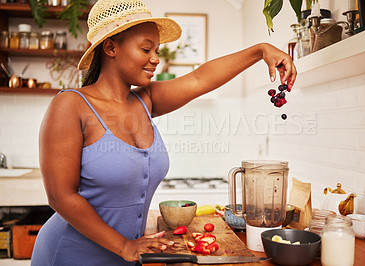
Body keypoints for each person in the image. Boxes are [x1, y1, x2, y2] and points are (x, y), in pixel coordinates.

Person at [31, 0, 297, 265]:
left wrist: (260, 51)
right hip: (70, 254)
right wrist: (124, 245)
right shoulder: (70, 105)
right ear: (111, 47)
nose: (156, 58)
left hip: (127, 256)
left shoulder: (144, 101)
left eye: (156, 49)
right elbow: (60, 196)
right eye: (146, 48)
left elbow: (199, 79)